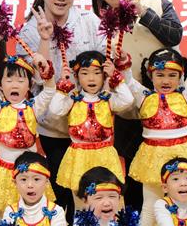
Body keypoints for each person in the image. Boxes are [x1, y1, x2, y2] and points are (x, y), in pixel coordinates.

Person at [89, 0, 183, 213]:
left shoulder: (157, 3)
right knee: (134, 177)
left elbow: (174, 35)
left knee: (175, 174)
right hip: (132, 109)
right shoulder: (105, 27)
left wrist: (141, 10)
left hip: (169, 107)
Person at [17, 0, 105, 213]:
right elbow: (35, 77)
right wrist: (45, 40)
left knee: (90, 188)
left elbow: (104, 63)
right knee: (61, 188)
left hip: (88, 122)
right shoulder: (28, 31)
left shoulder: (89, 21)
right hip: (52, 125)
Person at [127, 30, 187, 226]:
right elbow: (127, 79)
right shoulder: (143, 96)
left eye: (172, 75)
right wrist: (121, 64)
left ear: (180, 76)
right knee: (150, 204)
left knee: (183, 203)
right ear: (150, 75)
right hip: (152, 156)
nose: (166, 80)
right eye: (160, 75)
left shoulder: (185, 94)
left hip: (182, 154)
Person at [0, 34, 56, 226]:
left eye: (21, 80)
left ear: (30, 85)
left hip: (31, 173)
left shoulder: (34, 107)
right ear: (0, 84)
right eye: (9, 80)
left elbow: (49, 91)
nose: (14, 84)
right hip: (5, 173)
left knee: (33, 214)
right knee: (5, 218)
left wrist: (46, 71)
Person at [50, 51, 133, 208]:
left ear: (104, 75)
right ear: (77, 76)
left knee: (105, 200)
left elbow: (128, 100)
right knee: (81, 204)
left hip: (105, 156)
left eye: (97, 73)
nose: (91, 78)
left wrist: (115, 75)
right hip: (79, 158)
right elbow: (55, 110)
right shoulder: (73, 99)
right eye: (85, 73)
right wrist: (63, 85)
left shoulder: (108, 98)